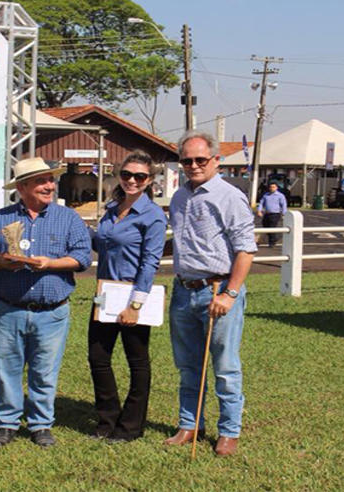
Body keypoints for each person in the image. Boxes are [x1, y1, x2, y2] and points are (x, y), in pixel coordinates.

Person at [0, 157, 91, 448]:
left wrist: (51, 263)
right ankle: (6, 422)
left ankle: (40, 424)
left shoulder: (69, 218)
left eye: (51, 180)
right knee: (6, 368)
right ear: (22, 188)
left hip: (52, 311)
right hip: (8, 308)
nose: (50, 185)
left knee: (45, 370)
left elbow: (83, 258)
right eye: (42, 181)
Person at [165, 130, 257, 457]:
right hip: (183, 291)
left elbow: (246, 250)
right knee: (188, 366)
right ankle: (190, 425)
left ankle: (229, 432)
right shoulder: (178, 197)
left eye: (200, 159)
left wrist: (230, 294)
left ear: (215, 160)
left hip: (217, 291)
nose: (193, 165)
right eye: (186, 160)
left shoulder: (229, 196)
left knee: (225, 366)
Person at [88, 151, 166, 443]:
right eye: (127, 175)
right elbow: (101, 243)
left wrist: (135, 305)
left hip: (133, 295)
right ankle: (107, 419)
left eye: (140, 176)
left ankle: (131, 426)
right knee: (97, 357)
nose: (132, 180)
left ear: (150, 180)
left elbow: (150, 262)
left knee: (137, 361)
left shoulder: (153, 216)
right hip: (105, 293)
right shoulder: (111, 208)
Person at [257, 182, 287, 247]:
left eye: (273, 187)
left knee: (272, 227)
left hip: (275, 214)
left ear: (276, 188)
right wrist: (259, 211)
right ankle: (274, 238)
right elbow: (261, 203)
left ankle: (272, 243)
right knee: (265, 226)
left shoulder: (280, 196)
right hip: (267, 214)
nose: (272, 188)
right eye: (271, 187)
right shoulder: (266, 195)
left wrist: (284, 213)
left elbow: (283, 205)